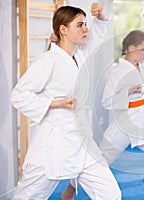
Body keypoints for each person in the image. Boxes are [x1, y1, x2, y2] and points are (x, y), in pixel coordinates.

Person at [62, 11, 144, 200]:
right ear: (131, 48)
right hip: (122, 125)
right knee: (97, 162)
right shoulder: (118, 71)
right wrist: (128, 92)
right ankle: (68, 192)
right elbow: (106, 100)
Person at [11, 3, 121, 200]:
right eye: (80, 25)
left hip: (82, 142)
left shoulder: (79, 54)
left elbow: (97, 35)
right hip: (53, 144)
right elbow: (19, 95)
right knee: (28, 197)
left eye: (85, 23)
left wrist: (101, 16)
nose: (85, 28)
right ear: (63, 29)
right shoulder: (48, 61)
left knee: (111, 194)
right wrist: (56, 103)